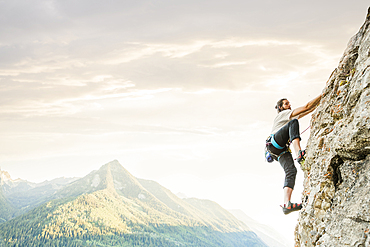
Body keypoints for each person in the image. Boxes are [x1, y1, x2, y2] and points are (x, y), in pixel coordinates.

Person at [268, 94, 322, 215]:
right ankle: (299, 152)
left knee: (291, 171)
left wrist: (320, 103)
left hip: (278, 150)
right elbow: (307, 106)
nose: (289, 105)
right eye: (286, 104)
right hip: (275, 143)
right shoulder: (283, 115)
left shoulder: (288, 115)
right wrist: (324, 94)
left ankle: (287, 204)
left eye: (289, 103)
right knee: (294, 122)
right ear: (280, 108)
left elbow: (309, 109)